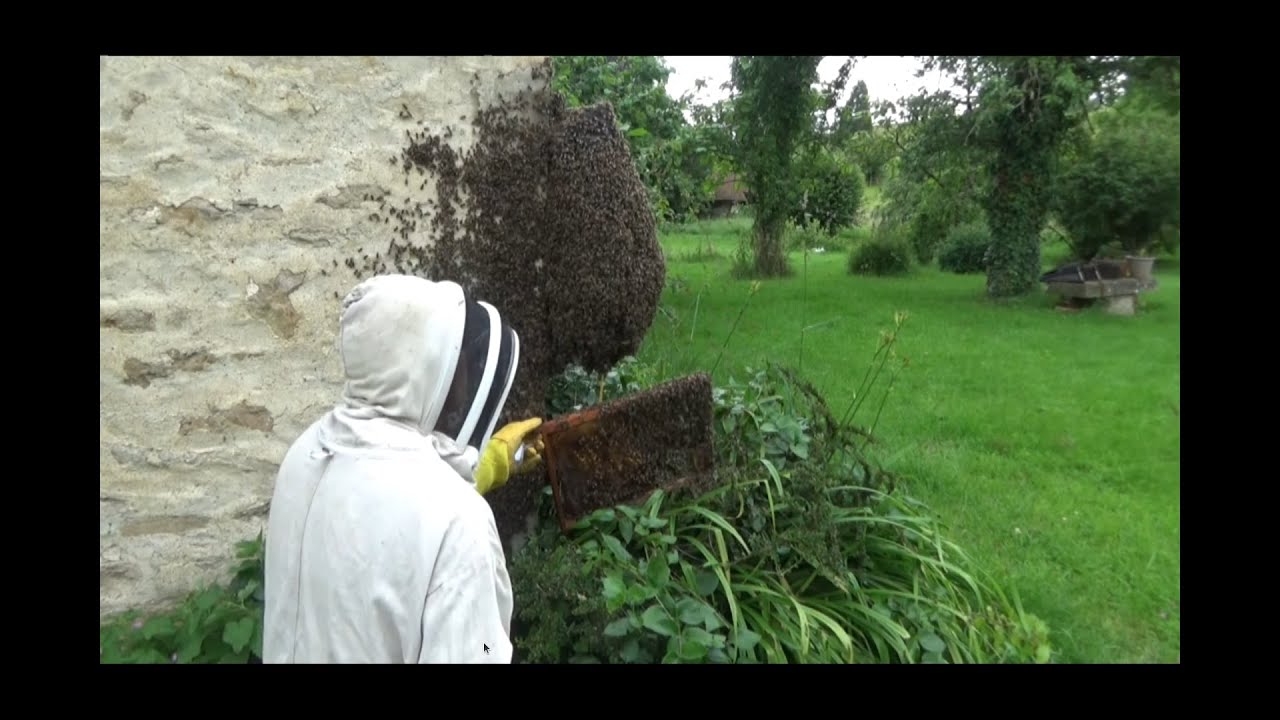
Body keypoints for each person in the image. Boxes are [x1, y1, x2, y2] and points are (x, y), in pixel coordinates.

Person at [261, 274, 545, 663]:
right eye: (455, 353)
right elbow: (476, 651)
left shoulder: (306, 452)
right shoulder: (460, 522)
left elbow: (382, 513)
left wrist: (493, 462)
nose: (463, 375)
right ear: (427, 364)